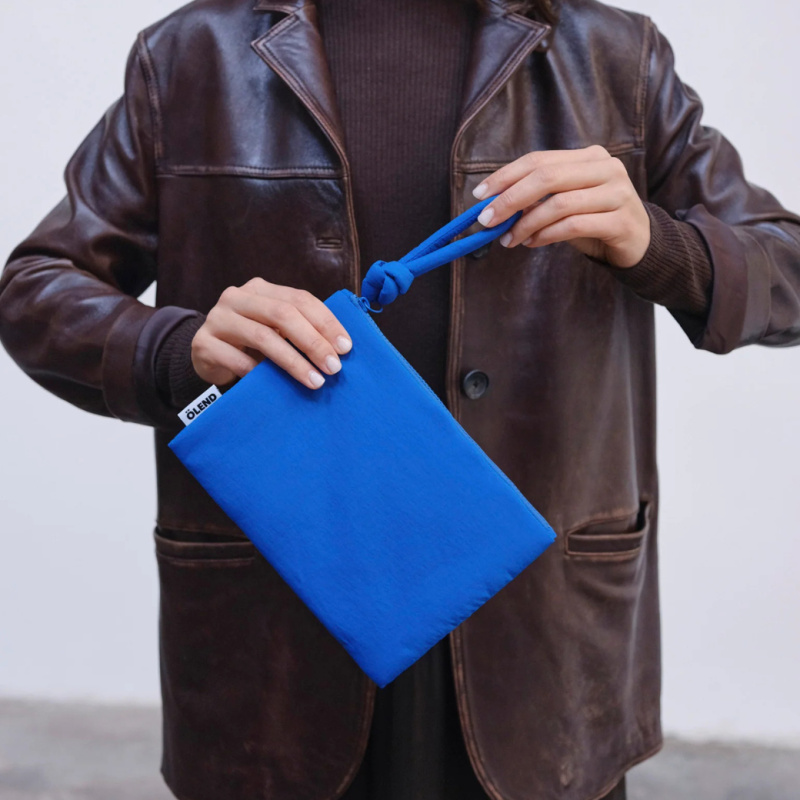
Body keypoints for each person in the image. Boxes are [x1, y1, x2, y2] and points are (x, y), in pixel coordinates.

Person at [1, 0, 799, 798]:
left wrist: (658, 244)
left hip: (539, 633)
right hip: (280, 626)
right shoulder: (189, 56)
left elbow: (787, 269)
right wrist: (178, 348)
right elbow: (36, 289)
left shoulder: (615, 56)